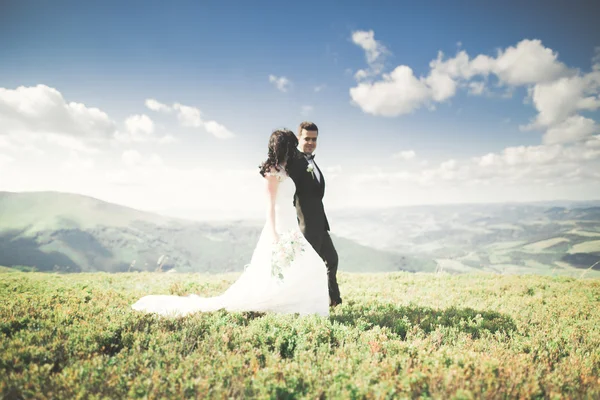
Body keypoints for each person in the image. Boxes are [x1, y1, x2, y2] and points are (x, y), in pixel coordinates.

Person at [131, 129, 329, 317]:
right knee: (292, 268)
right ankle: (281, 305)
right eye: (292, 146)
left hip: (290, 227)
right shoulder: (272, 172)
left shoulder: (286, 171)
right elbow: (269, 205)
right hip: (279, 227)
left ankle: (295, 306)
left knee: (308, 267)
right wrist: (273, 232)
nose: (295, 150)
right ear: (283, 147)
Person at [288, 121, 342, 307]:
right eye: (307, 138)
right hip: (306, 225)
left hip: (320, 224)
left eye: (314, 139)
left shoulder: (311, 161)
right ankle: (311, 302)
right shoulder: (294, 162)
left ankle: (332, 299)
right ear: (298, 138)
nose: (311, 142)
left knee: (332, 259)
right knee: (311, 267)